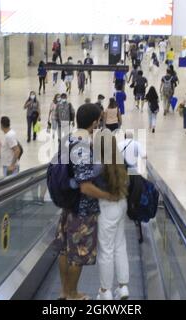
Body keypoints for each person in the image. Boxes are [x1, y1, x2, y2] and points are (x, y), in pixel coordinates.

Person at [55, 104, 119, 300]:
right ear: (94, 122)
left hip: (68, 205)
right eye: (99, 121)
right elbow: (86, 187)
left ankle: (65, 292)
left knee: (65, 250)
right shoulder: (82, 147)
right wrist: (109, 196)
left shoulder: (69, 139)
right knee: (78, 255)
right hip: (82, 211)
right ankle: (72, 294)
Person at [96, 134, 130, 300]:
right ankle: (123, 287)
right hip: (122, 204)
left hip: (106, 208)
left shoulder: (98, 165)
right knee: (120, 245)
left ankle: (106, 290)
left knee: (106, 250)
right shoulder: (120, 161)